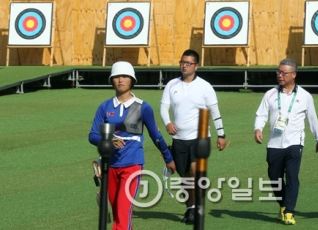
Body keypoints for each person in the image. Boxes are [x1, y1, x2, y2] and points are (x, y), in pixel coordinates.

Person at [88, 61, 176, 230]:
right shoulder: (105, 107)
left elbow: (156, 135)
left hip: (133, 164)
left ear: (132, 80)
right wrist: (106, 142)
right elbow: (92, 135)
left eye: (125, 76)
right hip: (109, 166)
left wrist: (168, 157)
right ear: (111, 80)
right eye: (117, 77)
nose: (121, 80)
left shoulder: (143, 107)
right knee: (117, 211)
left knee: (123, 211)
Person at [253, 58, 318, 225]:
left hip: (295, 142)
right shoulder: (270, 94)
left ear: (293, 75)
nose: (280, 75)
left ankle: (290, 211)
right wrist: (258, 129)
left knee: (292, 176)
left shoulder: (305, 96)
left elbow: (312, 119)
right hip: (274, 143)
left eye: (284, 73)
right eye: (278, 72)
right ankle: (283, 205)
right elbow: (261, 114)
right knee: (274, 178)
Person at [160, 49, 226, 224]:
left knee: (195, 173)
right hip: (179, 139)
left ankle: (198, 208)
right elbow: (163, 107)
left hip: (200, 137)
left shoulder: (205, 87)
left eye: (188, 63)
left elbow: (215, 111)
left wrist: (221, 134)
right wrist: (167, 122)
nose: (184, 65)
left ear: (196, 66)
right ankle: (190, 207)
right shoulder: (171, 85)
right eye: (182, 62)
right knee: (185, 176)